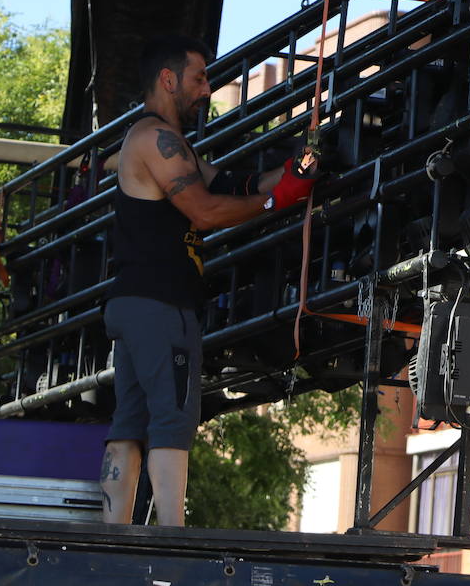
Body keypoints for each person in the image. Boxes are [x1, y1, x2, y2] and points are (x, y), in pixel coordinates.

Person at [101, 35, 317, 527]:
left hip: (136, 303)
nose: (206, 88)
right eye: (199, 77)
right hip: (161, 303)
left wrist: (287, 175)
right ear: (168, 78)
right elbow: (204, 209)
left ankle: (113, 534)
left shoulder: (167, 142)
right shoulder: (155, 138)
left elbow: (226, 184)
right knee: (173, 419)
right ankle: (172, 535)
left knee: (129, 423)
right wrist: (277, 200)